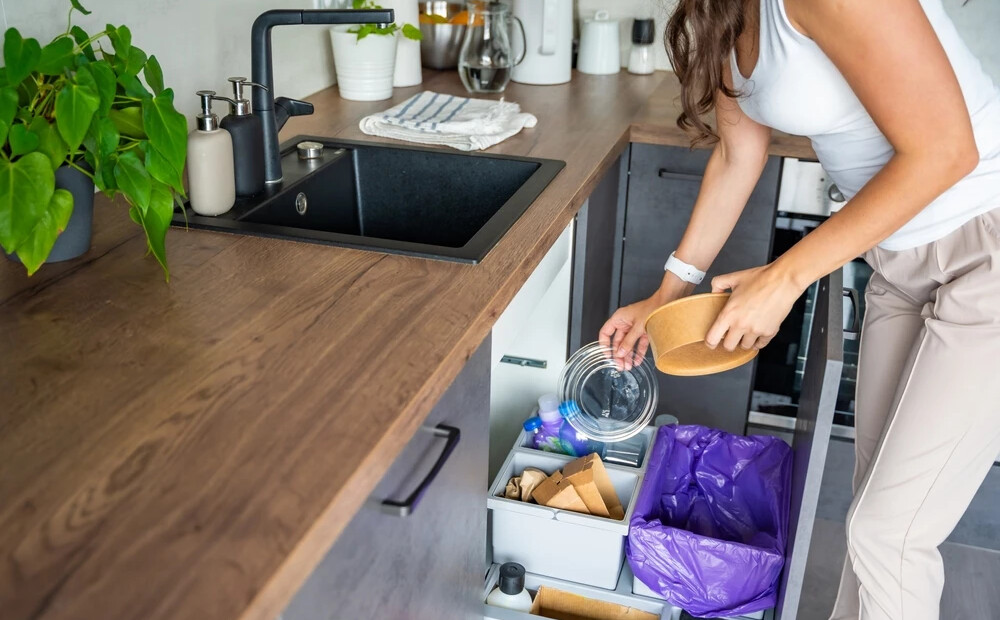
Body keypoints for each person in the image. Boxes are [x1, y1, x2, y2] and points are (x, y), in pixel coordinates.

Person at [598, 0, 1000, 618]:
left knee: (888, 533)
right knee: (875, 515)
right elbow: (739, 154)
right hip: (897, 261)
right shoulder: (723, 14)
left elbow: (948, 151)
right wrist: (666, 293)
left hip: (985, 252)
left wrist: (785, 278)